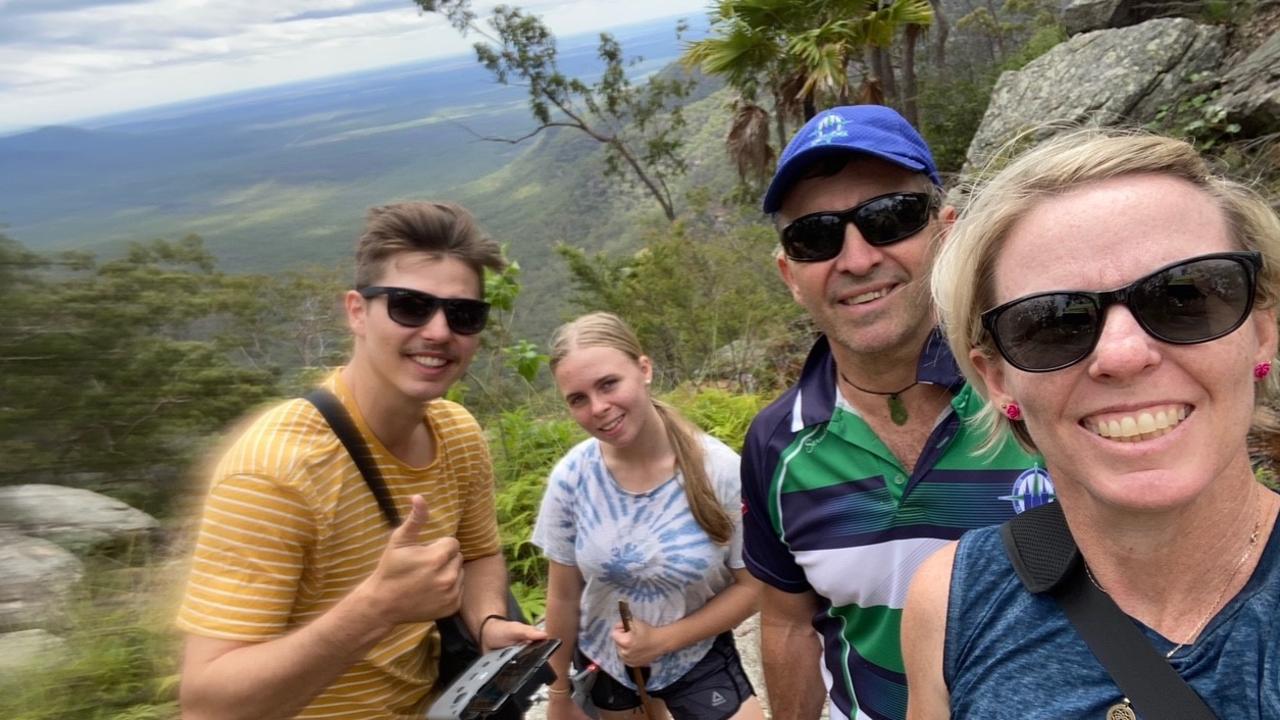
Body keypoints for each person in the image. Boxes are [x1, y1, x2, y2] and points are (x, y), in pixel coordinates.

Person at [902, 129, 1280, 718]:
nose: (1125, 354)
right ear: (998, 380)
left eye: (1184, 297)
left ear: (1261, 329)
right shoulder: (951, 601)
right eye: (1054, 322)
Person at [176, 201, 545, 720]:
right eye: (409, 306)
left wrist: (486, 622)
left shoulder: (457, 433)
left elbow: (479, 552)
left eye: (462, 314)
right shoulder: (275, 471)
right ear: (357, 311)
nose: (439, 331)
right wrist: (377, 606)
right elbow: (208, 704)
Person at [740, 105, 1049, 720]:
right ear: (790, 274)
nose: (855, 259)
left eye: (890, 217)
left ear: (946, 230)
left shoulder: (1040, 387)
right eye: (816, 236)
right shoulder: (776, 444)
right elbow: (788, 623)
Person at [533, 311, 764, 720]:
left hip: (696, 652)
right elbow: (563, 596)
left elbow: (754, 587)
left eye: (608, 384)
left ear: (644, 369)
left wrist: (663, 640)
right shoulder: (572, 478)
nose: (599, 408)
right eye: (578, 399)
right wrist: (559, 694)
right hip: (609, 661)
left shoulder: (720, 471)